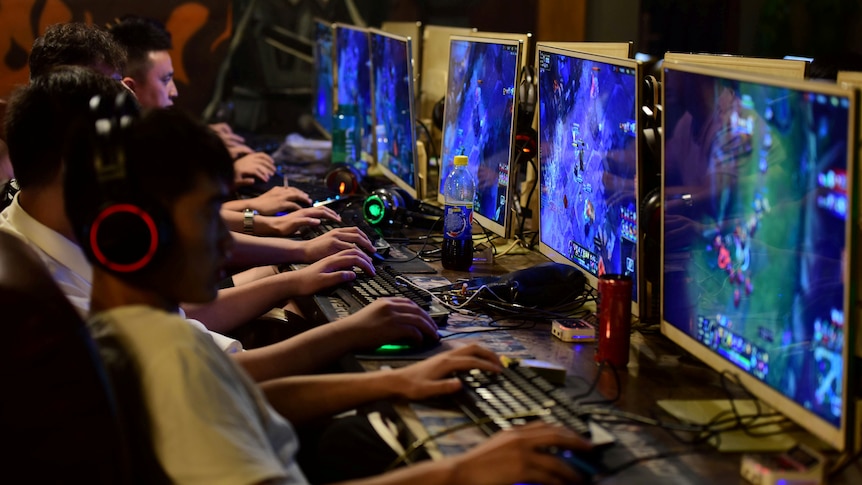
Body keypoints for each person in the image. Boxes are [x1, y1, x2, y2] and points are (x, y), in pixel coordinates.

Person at [63, 94, 592, 484]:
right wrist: (460, 473)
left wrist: (397, 382)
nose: (227, 243)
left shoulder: (124, 330)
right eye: (208, 217)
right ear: (133, 236)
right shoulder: (167, 354)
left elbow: (238, 396)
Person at [1, 64, 438, 381]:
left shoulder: (63, 237)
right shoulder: (37, 293)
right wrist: (350, 333)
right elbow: (216, 370)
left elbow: (186, 326)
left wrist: (294, 275)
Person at [16, 22, 395, 339]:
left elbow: (177, 318)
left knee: (291, 285)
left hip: (185, 331)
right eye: (110, 84)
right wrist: (279, 240)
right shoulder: (68, 242)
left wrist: (283, 247)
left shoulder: (53, 209)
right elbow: (184, 327)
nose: (122, 91)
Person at [107, 15, 325, 237]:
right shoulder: (120, 159)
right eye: (165, 80)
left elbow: (191, 214)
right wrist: (261, 215)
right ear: (129, 88)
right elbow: (196, 223)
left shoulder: (136, 143)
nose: (174, 91)